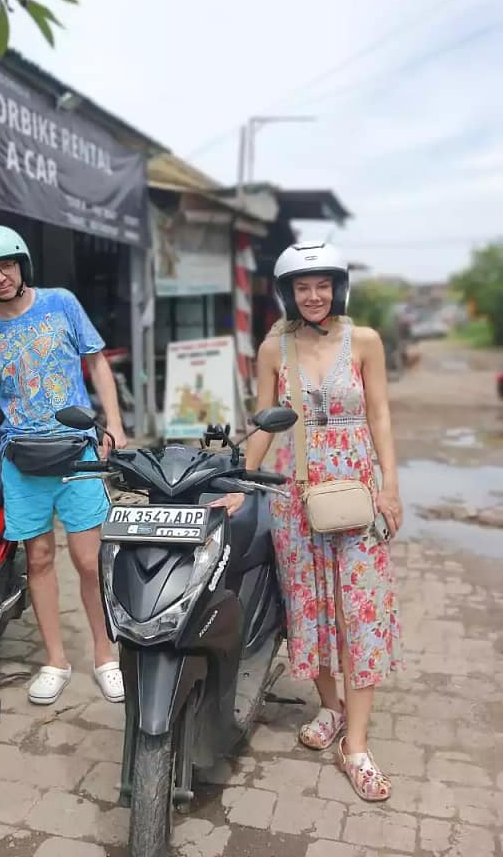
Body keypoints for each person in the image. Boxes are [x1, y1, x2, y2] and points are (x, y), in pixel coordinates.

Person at [215, 242, 403, 802]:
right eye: (303, 287)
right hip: (295, 497)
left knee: (358, 612)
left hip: (356, 494)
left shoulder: (363, 341)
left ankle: (357, 747)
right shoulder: (274, 348)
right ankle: (331, 706)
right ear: (288, 293)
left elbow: (380, 413)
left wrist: (390, 485)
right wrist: (241, 484)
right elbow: (265, 422)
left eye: (323, 285)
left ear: (338, 288)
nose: (314, 296)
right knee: (310, 608)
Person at [0, 225, 127, 706]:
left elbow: (97, 363)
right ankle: (56, 660)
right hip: (21, 459)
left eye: (6, 265)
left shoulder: (61, 303)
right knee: (39, 559)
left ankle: (105, 656)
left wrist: (115, 424)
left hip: (77, 452)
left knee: (88, 561)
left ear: (22, 266)